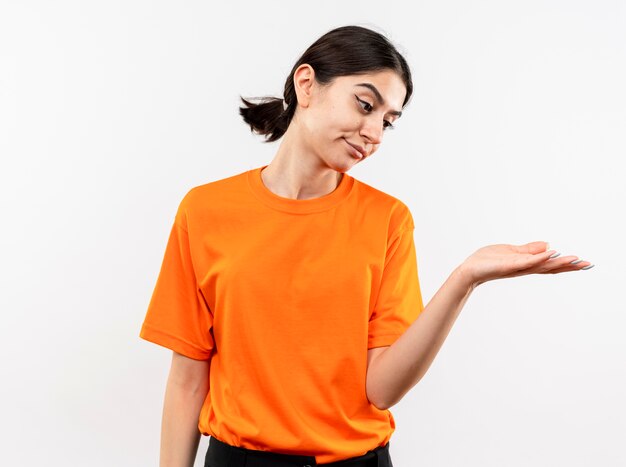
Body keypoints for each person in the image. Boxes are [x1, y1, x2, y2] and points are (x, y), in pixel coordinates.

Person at [138, 24, 594, 467]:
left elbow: (381, 390)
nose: (374, 133)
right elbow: (186, 382)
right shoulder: (205, 210)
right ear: (307, 84)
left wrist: (465, 279)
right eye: (364, 105)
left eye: (387, 121)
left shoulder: (388, 220)